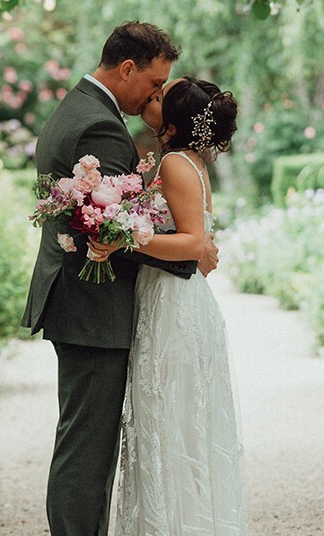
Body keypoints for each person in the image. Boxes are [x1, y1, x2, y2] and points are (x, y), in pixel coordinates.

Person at [22, 22, 219, 536]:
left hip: (83, 304)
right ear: (127, 67)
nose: (155, 96)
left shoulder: (81, 107)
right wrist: (189, 252)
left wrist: (187, 237)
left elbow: (119, 220)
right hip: (93, 307)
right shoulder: (100, 127)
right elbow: (110, 228)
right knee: (87, 453)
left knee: (87, 445)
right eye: (153, 84)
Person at [89, 76, 247, 536]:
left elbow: (194, 242)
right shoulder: (188, 161)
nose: (150, 99)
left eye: (159, 97)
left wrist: (121, 239)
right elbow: (203, 242)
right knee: (172, 422)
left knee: (170, 423)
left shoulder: (177, 162)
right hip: (173, 298)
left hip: (173, 304)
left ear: (174, 125)